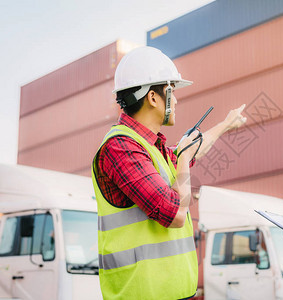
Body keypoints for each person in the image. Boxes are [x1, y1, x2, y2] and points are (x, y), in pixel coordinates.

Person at [91, 46, 246, 299]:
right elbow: (174, 213)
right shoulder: (120, 147)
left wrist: (226, 124)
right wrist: (183, 157)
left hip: (172, 292)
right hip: (141, 293)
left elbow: (194, 149)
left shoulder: (152, 149)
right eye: (172, 92)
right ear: (153, 97)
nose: (177, 100)